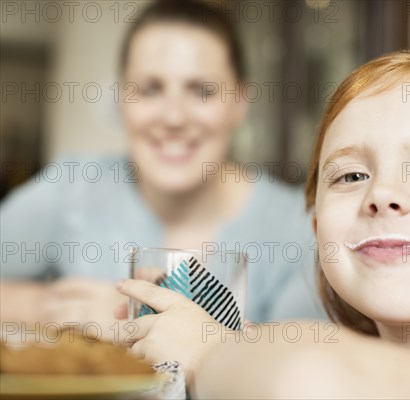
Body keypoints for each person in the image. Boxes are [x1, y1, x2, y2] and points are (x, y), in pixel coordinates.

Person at [115, 52, 410, 398]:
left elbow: (308, 379)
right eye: (351, 175)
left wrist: (213, 351)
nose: (382, 194)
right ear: (320, 229)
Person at [0, 0, 325, 329]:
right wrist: (48, 307)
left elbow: (310, 364)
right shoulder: (74, 186)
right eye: (150, 89)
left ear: (239, 102)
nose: (173, 117)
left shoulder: (299, 229)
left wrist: (150, 326)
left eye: (202, 91)